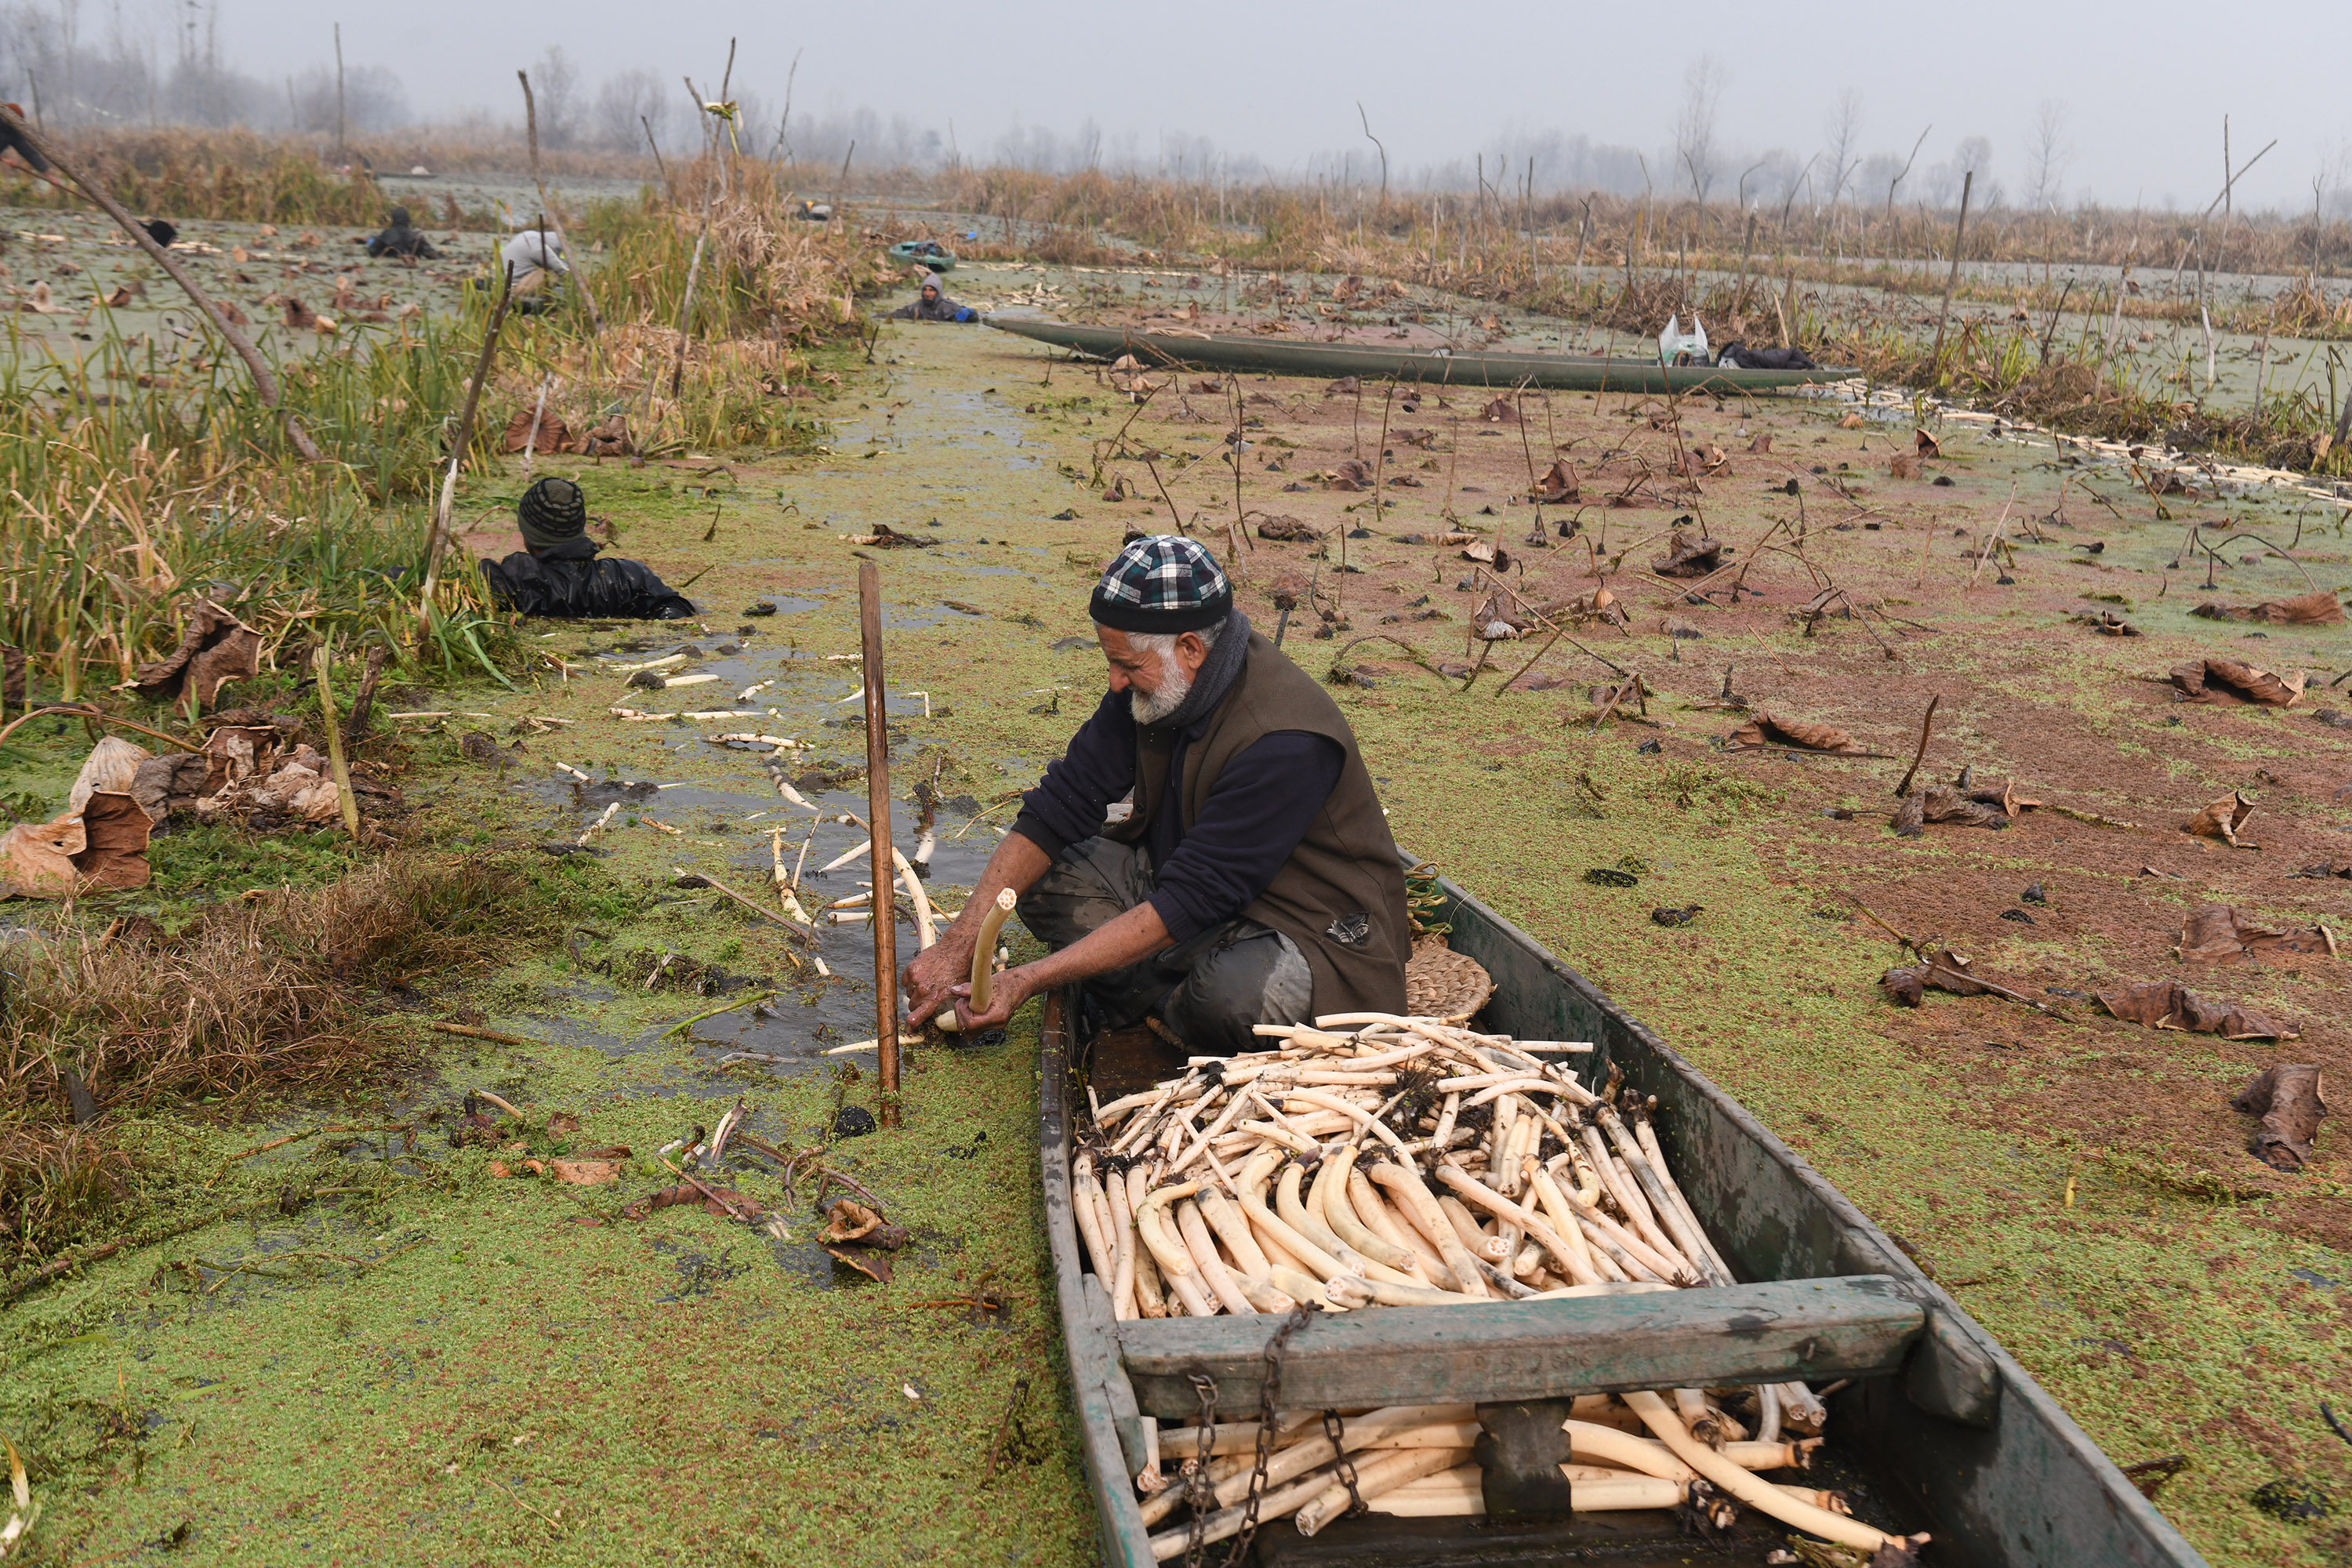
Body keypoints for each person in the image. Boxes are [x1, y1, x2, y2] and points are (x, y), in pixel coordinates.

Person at [904, 535, 1410, 1054]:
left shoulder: (1285, 741)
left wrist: (1027, 979)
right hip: (1196, 890)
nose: (1115, 682)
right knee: (1039, 877)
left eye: (1127, 665)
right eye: (1111, 661)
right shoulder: (1156, 682)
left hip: (1307, 926)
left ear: (1190, 647)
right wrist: (961, 943)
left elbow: (1192, 900)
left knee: (1229, 999)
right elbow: (1061, 806)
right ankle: (1161, 989)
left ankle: (1162, 1001)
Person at [477, 477, 695, 620]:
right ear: (579, 526)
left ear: (527, 532)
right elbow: (678, 613)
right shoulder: (627, 578)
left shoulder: (502, 580)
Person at [889, 271, 978, 323]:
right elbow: (894, 315)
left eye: (931, 290)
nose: (927, 293)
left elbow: (973, 320)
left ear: (938, 292)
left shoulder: (949, 307)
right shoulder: (914, 308)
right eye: (925, 290)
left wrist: (972, 314)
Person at [365, 205, 437, 260]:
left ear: (393, 219)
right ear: (408, 220)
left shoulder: (386, 234)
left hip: (391, 265)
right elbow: (432, 256)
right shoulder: (417, 237)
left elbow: (372, 251)